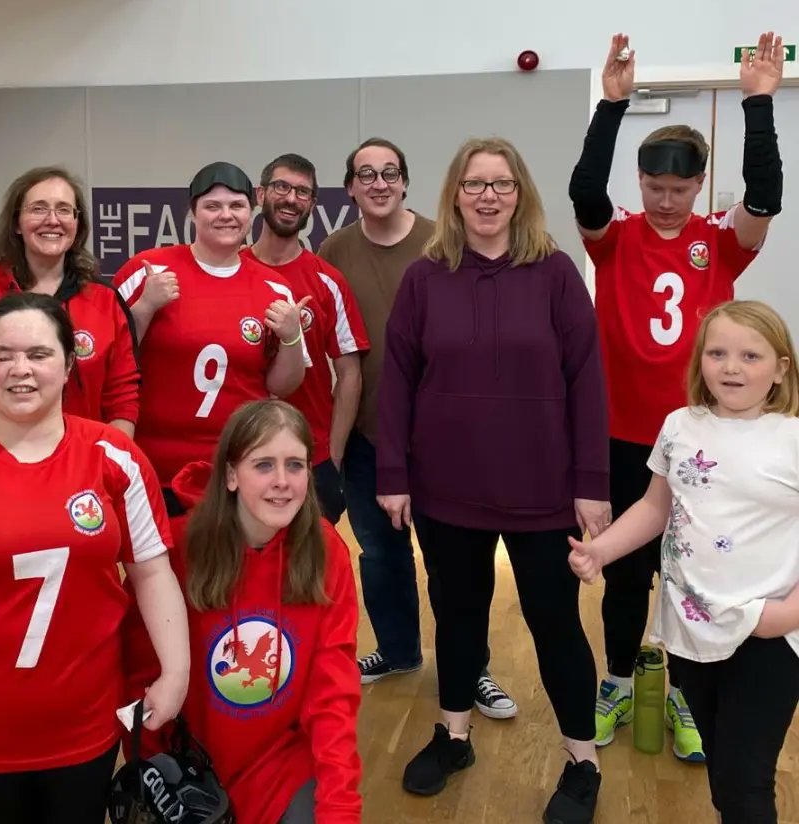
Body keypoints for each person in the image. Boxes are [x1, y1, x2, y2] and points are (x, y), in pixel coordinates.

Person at [0, 292, 189, 824]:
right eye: (2, 355)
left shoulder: (114, 458)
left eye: (39, 355)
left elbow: (152, 571)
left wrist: (175, 669)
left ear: (68, 365)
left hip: (85, 729)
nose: (20, 369)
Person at [568, 32, 784, 759]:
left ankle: (689, 692)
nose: (665, 202)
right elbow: (584, 194)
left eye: (679, 190)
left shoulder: (721, 241)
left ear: (698, 188)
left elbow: (767, 197)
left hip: (703, 440)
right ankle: (619, 683)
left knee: (692, 572)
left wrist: (760, 102)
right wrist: (611, 106)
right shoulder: (615, 237)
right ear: (641, 183)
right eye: (655, 188)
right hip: (624, 434)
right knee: (627, 573)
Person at [379, 137, 608, 823]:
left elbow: (587, 382)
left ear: (520, 195)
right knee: (458, 616)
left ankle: (582, 758)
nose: (487, 196)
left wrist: (591, 482)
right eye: (474, 184)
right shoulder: (425, 278)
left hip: (542, 486)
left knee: (554, 622)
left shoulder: (556, 273)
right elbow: (396, 382)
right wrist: (394, 473)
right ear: (454, 194)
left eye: (501, 184)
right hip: (447, 487)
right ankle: (454, 735)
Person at [569, 300, 799, 824]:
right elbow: (656, 505)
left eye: (750, 355)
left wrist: (787, 616)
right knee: (723, 768)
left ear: (781, 368)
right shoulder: (680, 426)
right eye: (717, 353)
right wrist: (601, 549)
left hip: (769, 636)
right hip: (692, 631)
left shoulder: (792, 439)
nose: (731, 367)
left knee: (745, 783)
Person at [318, 138, 516, 719]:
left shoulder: (443, 243)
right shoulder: (334, 249)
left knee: (454, 564)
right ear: (350, 187)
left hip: (439, 441)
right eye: (365, 175)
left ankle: (471, 667)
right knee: (380, 557)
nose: (378, 183)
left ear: (405, 182)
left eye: (389, 173)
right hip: (365, 435)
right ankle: (399, 650)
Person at [124, 400, 361, 824]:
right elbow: (139, 677)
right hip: (194, 769)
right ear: (231, 474)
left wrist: (340, 808)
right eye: (264, 465)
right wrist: (157, 775)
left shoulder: (326, 553)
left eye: (295, 465)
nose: (282, 482)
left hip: (281, 767)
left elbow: (334, 694)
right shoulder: (176, 552)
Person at [113, 162, 308, 491]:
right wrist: (145, 306)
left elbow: (282, 385)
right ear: (193, 212)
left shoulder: (274, 288)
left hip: (236, 466)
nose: (225, 215)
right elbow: (111, 360)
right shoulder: (147, 270)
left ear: (252, 211)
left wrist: (291, 337)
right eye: (212, 206)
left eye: (236, 206)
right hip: (151, 464)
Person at [0, 166, 139, 436]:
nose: (53, 220)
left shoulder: (104, 299)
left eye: (64, 210)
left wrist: (109, 460)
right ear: (17, 223)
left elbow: (122, 396)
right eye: (38, 209)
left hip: (83, 464)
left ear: (77, 223)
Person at [243, 153, 369, 523]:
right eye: (282, 187)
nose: (291, 198)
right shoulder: (232, 270)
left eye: (303, 192)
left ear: (312, 204)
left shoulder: (327, 281)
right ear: (261, 193)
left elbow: (350, 374)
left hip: (309, 458)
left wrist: (334, 452)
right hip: (243, 450)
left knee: (308, 575)